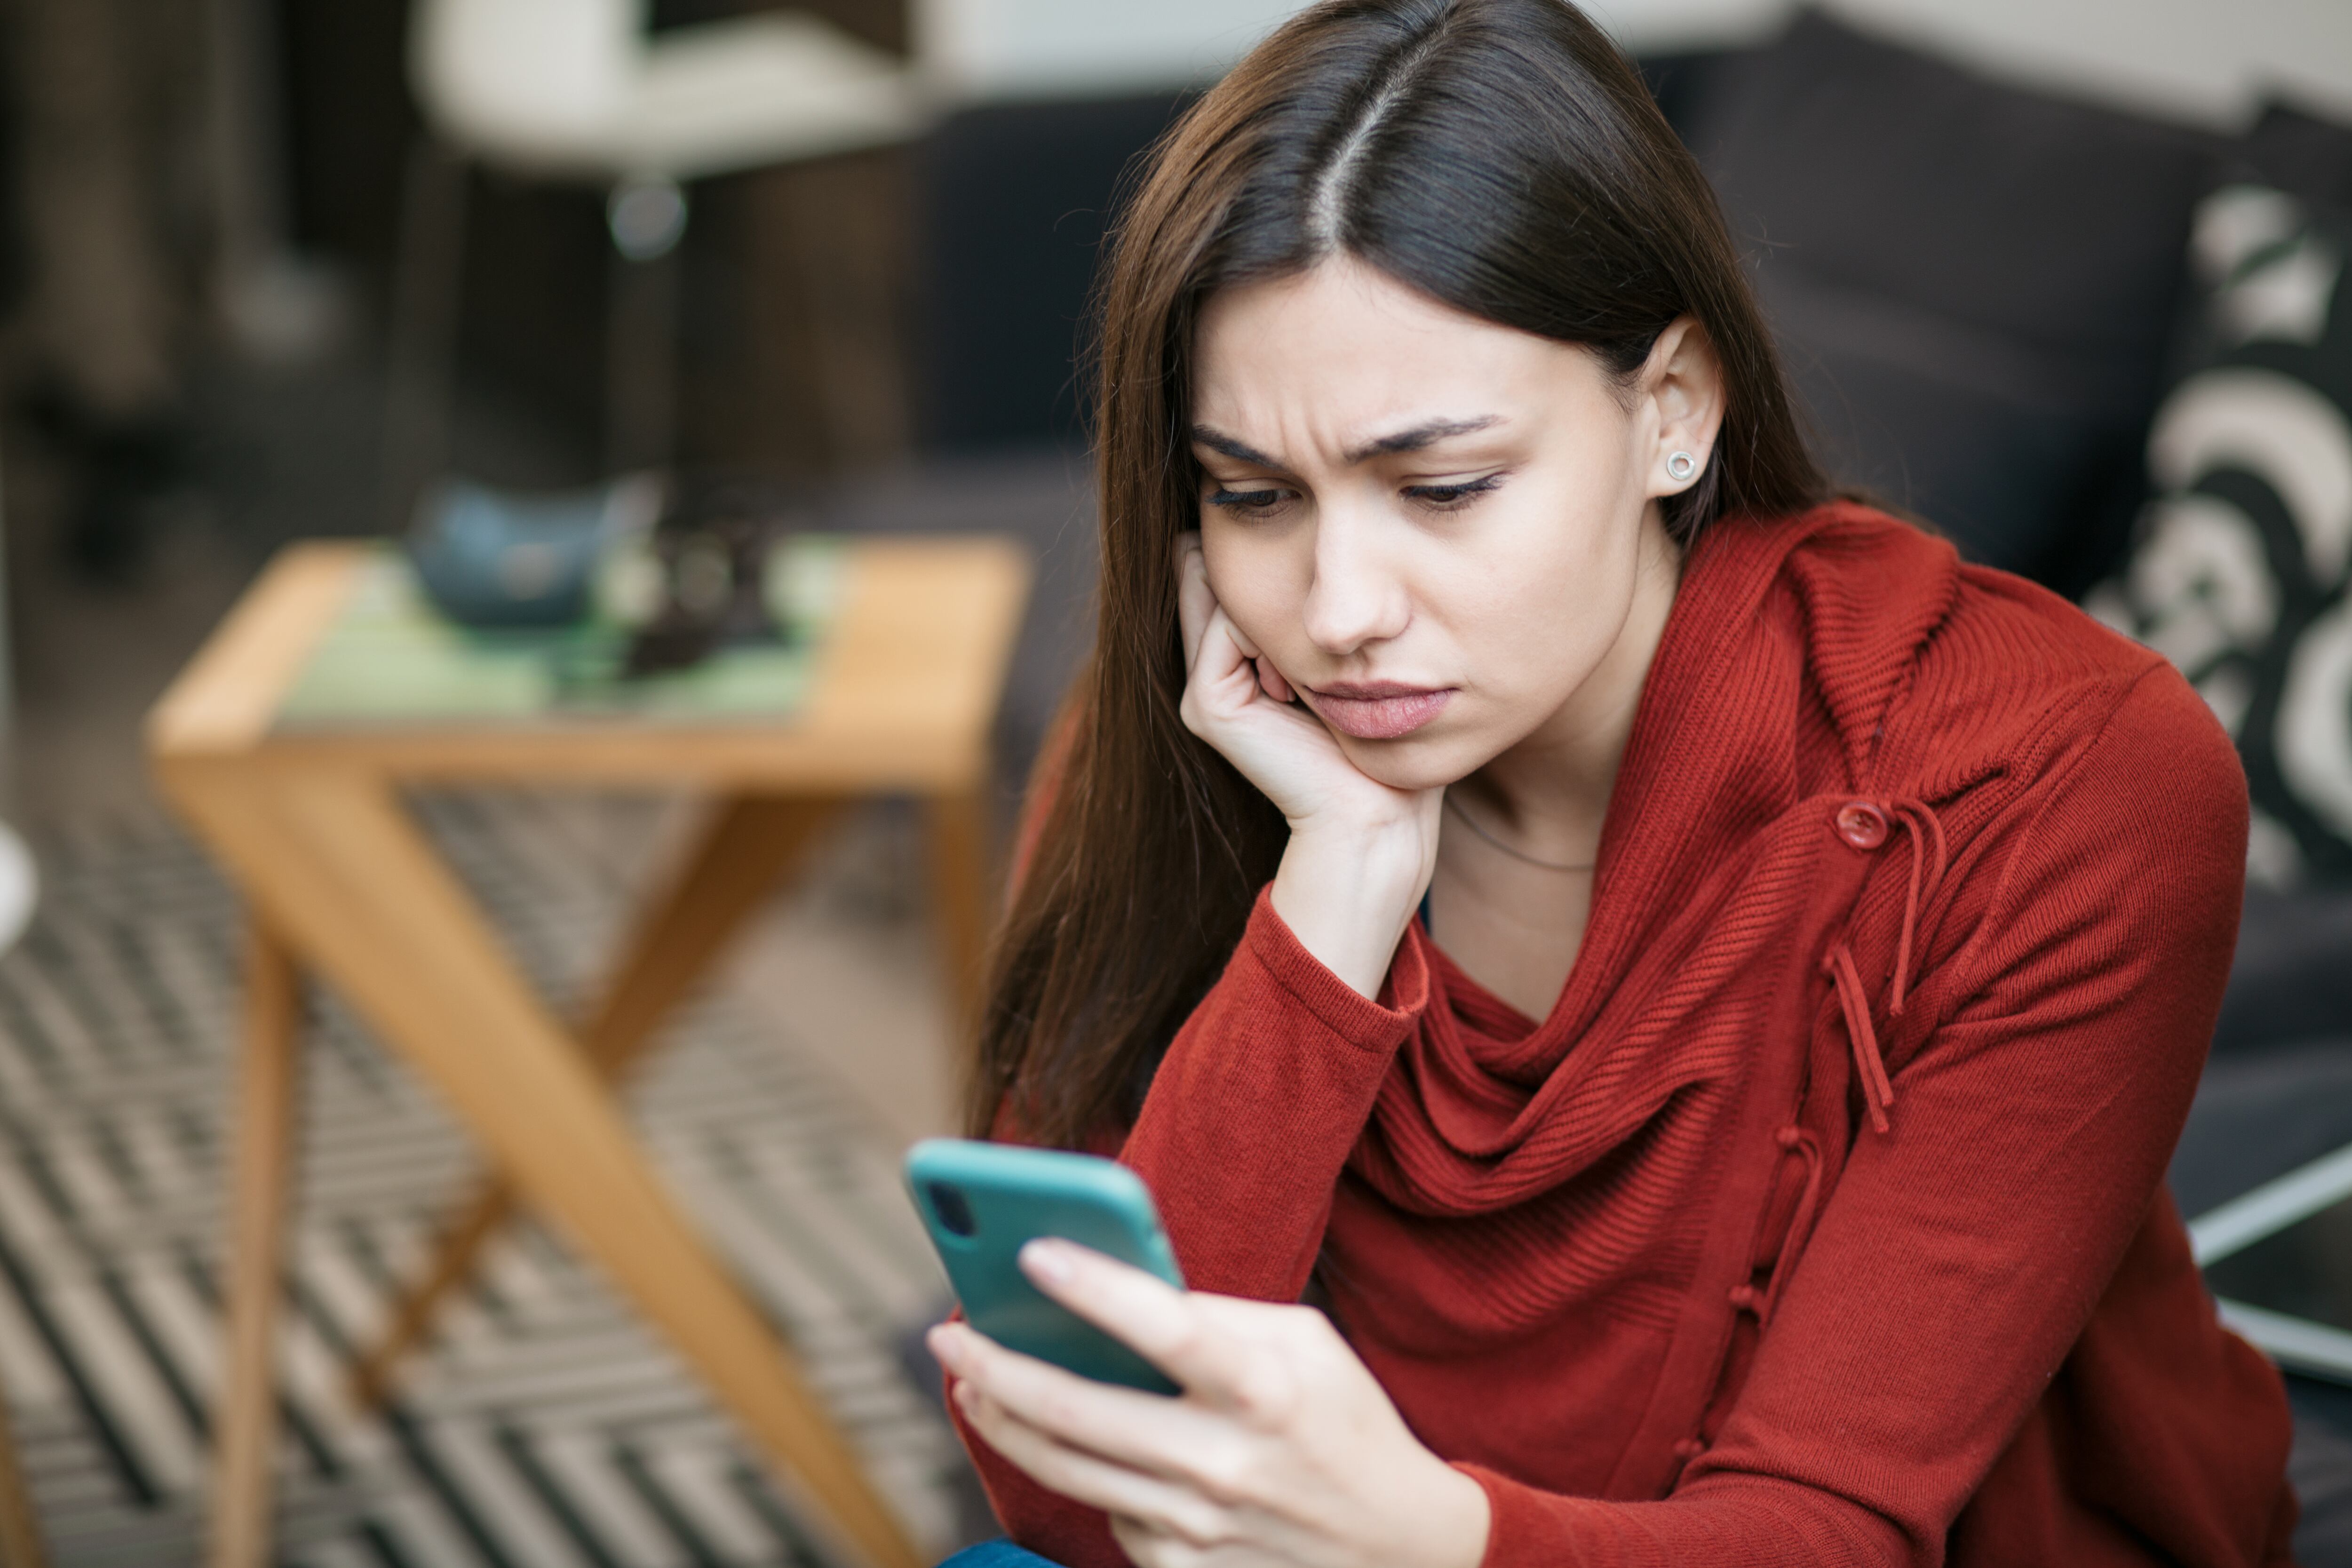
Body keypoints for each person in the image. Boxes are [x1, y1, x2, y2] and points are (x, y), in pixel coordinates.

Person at [923, 1, 2299, 1564]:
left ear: (1672, 414)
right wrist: (1330, 903)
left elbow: (1826, 1531)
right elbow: (1069, 1504)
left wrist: (1425, 1539)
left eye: (1441, 489)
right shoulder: (1197, 728)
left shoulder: (2060, 782)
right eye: (1252, 494)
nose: (1336, 606)